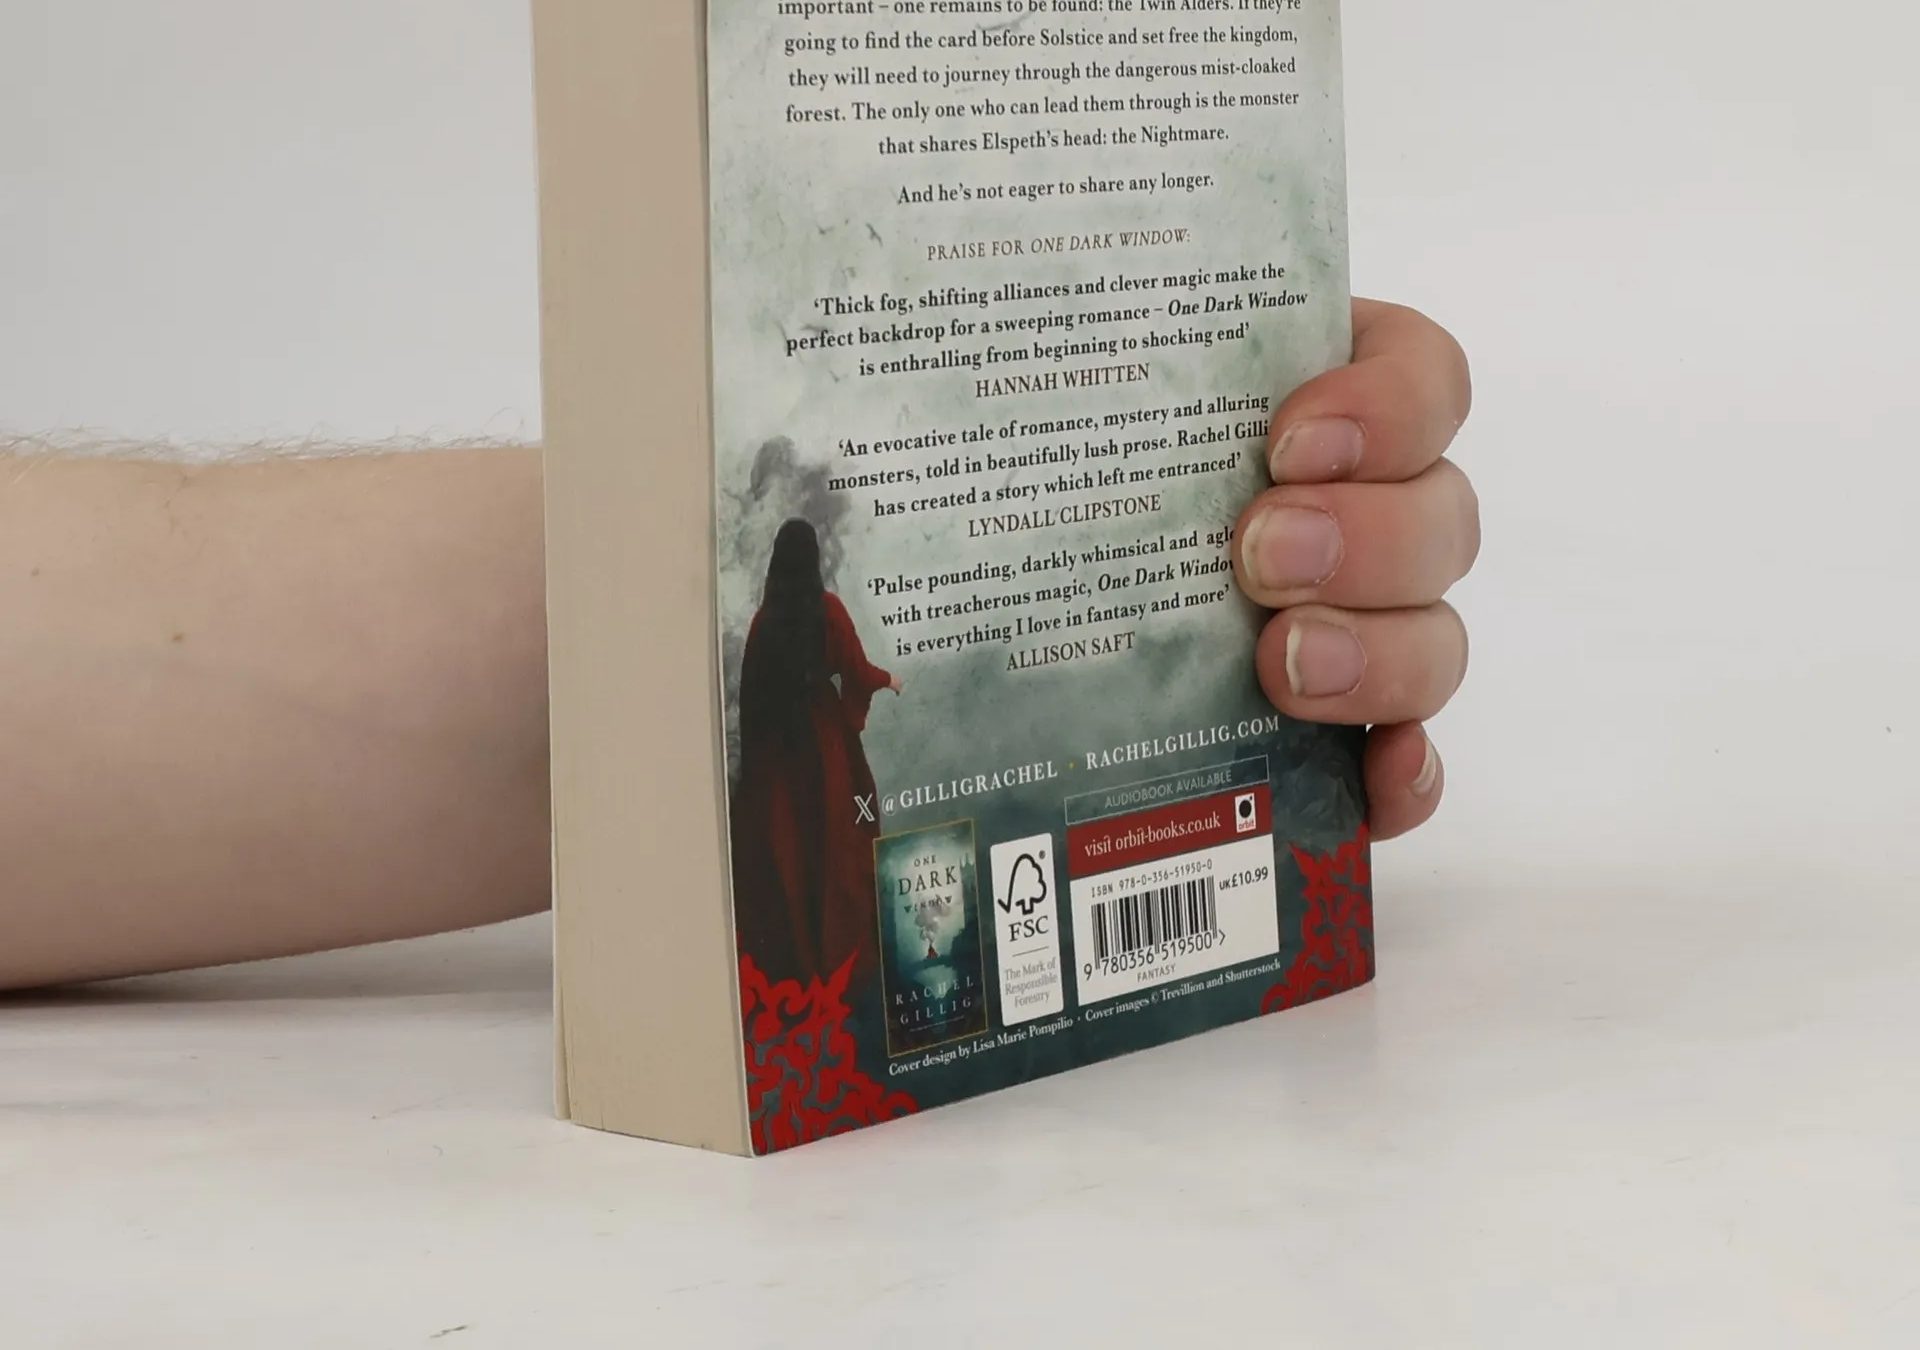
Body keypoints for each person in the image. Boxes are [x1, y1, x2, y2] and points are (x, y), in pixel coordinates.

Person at [0, 299, 1476, 991]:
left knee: (808, 859)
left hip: (782, 760)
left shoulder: (776, 608)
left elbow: (820, 650)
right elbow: (832, 659)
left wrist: (1053, 508)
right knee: (811, 858)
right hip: (799, 764)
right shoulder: (790, 614)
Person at [730, 518, 899, 988]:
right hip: (825, 749)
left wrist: (752, 770)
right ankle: (843, 956)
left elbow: (751, 698)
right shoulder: (829, 611)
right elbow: (856, 669)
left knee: (791, 853)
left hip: (777, 756)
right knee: (837, 846)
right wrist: (889, 680)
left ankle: (798, 964)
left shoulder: (763, 623)